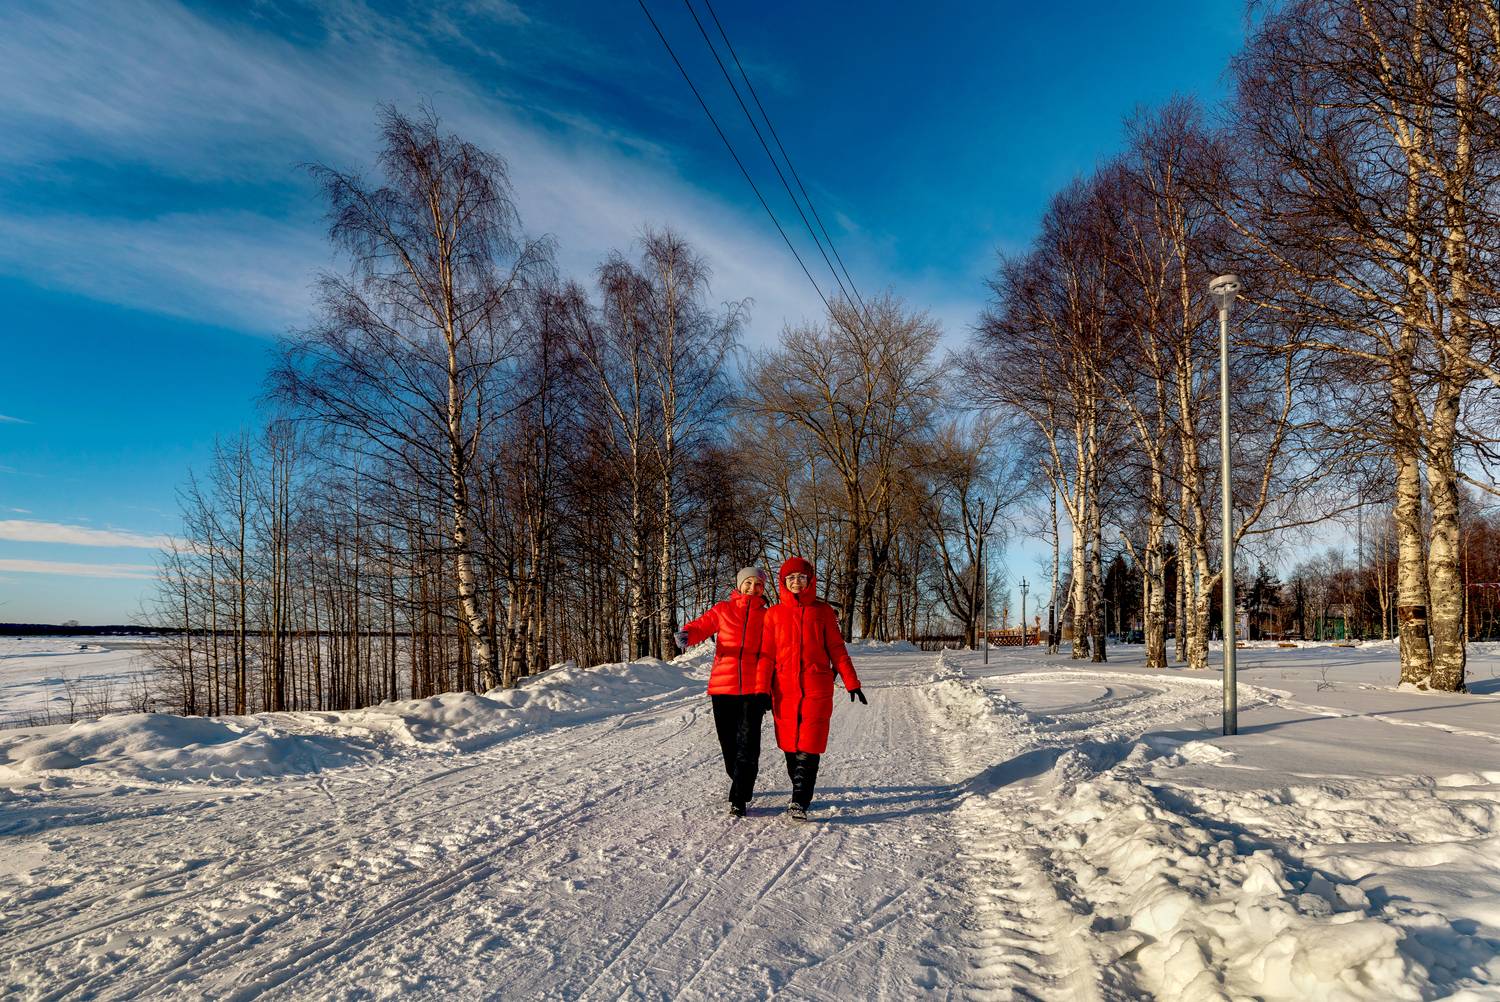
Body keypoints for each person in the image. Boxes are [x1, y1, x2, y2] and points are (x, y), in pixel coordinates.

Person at [764, 556, 866, 821]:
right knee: (790, 746)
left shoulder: (823, 612)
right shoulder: (773, 614)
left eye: (801, 577)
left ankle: (800, 800)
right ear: (783, 582)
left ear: (810, 580)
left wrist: (851, 681)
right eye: (790, 578)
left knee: (809, 744)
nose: (796, 582)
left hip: (816, 687)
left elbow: (837, 649)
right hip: (783, 690)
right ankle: (799, 789)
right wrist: (762, 689)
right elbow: (766, 656)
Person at [675, 567, 773, 817]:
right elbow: (702, 626)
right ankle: (739, 779)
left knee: (748, 744)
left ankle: (739, 795)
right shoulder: (723, 610)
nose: (753, 588)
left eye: (758, 584)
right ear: (739, 585)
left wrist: (767, 688)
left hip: (753, 689)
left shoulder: (768, 616)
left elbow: (771, 652)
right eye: (748, 583)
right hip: (723, 687)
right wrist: (688, 634)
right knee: (729, 744)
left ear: (763, 588)